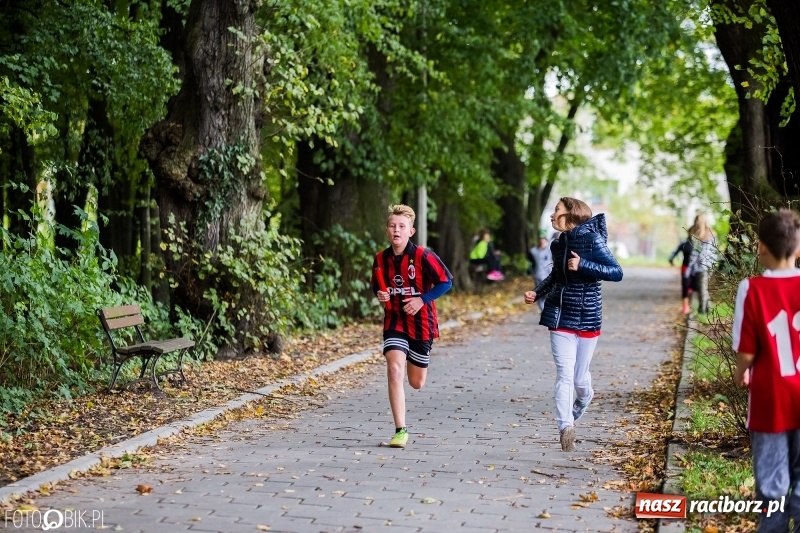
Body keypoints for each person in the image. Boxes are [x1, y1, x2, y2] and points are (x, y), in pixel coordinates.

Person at [523, 197, 623, 452]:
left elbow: (616, 272)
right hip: (560, 313)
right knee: (565, 374)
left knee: (580, 378)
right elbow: (557, 276)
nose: (552, 215)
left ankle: (585, 398)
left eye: (556, 210)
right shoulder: (559, 244)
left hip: (588, 316)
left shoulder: (592, 240)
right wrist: (537, 292)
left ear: (570, 215)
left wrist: (583, 264)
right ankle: (565, 426)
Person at [732, 208, 800, 533]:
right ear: (799, 249)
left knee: (772, 482)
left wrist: (740, 372)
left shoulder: (752, 288)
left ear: (759, 247)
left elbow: (746, 350)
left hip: (770, 399)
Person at [372, 204, 453, 448]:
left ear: (411, 231)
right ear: (387, 230)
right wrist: (380, 294)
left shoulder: (423, 256)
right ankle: (400, 430)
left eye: (401, 226)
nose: (396, 230)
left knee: (416, 382)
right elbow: (377, 285)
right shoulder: (380, 259)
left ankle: (414, 356)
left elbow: (446, 281)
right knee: (394, 369)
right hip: (395, 320)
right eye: (392, 226)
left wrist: (421, 299)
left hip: (421, 324)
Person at [685, 213, 717, 314]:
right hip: (710, 265)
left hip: (701, 266)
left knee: (702, 288)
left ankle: (702, 310)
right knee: (704, 288)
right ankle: (708, 309)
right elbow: (714, 251)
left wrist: (689, 268)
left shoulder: (698, 234)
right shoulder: (711, 233)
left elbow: (695, 254)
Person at [669, 234, 694, 314]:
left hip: (694, 269)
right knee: (686, 287)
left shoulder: (699, 244)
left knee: (690, 287)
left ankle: (690, 305)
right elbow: (674, 252)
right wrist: (671, 259)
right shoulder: (685, 244)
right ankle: (685, 306)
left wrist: (671, 260)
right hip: (686, 268)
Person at [530, 235, 554, 311]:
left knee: (549, 294)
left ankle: (548, 309)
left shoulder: (550, 250)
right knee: (539, 294)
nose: (542, 242)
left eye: (544, 241)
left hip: (549, 276)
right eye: (541, 241)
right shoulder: (535, 251)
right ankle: (543, 310)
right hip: (538, 275)